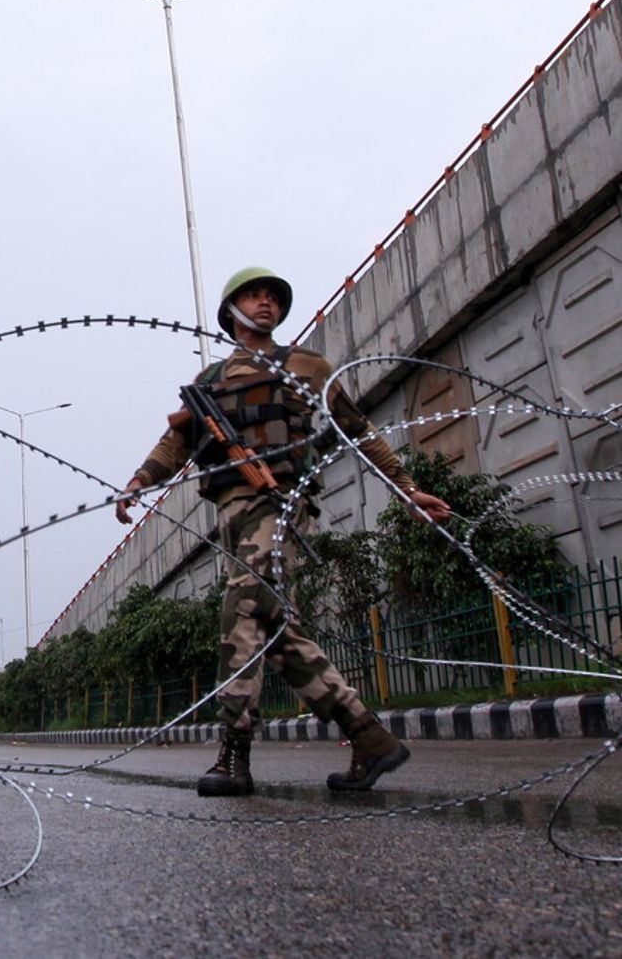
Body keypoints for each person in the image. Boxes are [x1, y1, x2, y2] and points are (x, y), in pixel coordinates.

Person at [115, 267, 451, 796]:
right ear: (232, 310)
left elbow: (357, 430)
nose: (266, 303)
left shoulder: (306, 366)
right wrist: (140, 480)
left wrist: (407, 488)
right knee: (273, 631)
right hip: (232, 511)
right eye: (254, 295)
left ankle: (234, 753)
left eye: (273, 296)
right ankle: (369, 738)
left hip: (281, 504)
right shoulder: (209, 383)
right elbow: (174, 442)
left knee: (242, 610)